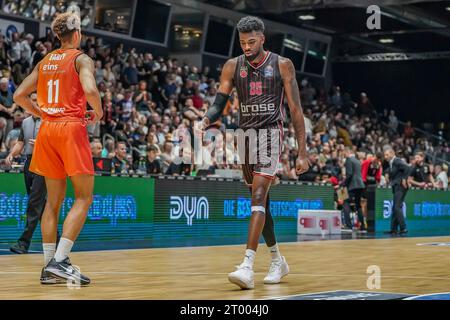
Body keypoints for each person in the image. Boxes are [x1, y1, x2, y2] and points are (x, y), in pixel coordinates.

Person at [198, 16, 309, 290]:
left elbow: (296, 110)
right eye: (242, 42)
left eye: (251, 41)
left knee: (258, 198)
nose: (246, 46)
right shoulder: (232, 66)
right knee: (261, 203)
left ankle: (247, 265)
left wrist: (302, 152)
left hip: (271, 133)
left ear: (262, 39)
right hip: (245, 137)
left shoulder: (282, 64)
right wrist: (205, 119)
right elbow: (219, 102)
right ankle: (277, 260)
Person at [13, 12, 103, 285]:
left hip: (47, 131)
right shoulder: (81, 58)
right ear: (76, 35)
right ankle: (61, 260)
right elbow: (89, 89)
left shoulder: (45, 60)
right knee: (84, 198)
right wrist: (97, 112)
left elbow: (18, 95)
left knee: (52, 203)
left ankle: (48, 268)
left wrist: (39, 112)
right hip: (70, 129)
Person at [6, 96, 60, 256]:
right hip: (29, 163)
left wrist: (42, 144)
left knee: (34, 202)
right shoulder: (25, 122)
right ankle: (56, 238)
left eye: (38, 99)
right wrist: (11, 154)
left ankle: (24, 242)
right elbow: (21, 143)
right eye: (33, 99)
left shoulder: (50, 121)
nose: (35, 102)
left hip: (45, 162)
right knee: (39, 205)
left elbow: (58, 143)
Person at [383, 146, 410, 235]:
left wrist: (404, 179)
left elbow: (407, 168)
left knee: (397, 207)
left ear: (392, 154)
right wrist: (387, 173)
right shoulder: (391, 163)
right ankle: (394, 229)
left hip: (400, 186)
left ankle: (403, 228)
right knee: (395, 207)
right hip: (396, 186)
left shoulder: (397, 161)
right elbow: (392, 171)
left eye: (387, 155)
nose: (385, 157)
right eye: (384, 155)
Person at [341, 147, 366, 231]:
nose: (343, 155)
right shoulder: (357, 160)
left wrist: (343, 184)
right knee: (358, 204)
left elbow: (349, 174)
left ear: (347, 152)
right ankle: (362, 225)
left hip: (352, 185)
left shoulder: (348, 160)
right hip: (360, 185)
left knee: (345, 202)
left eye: (344, 153)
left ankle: (348, 225)